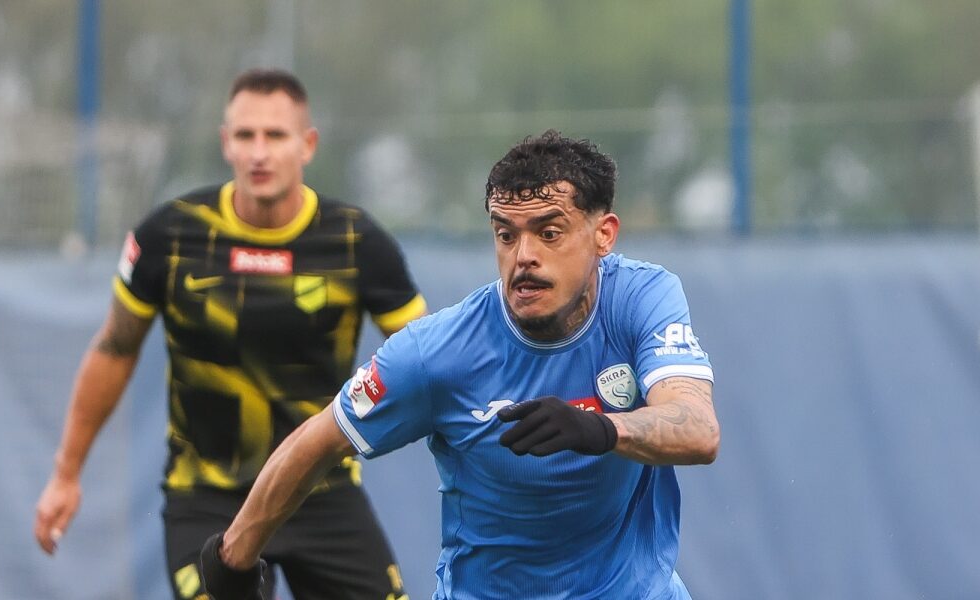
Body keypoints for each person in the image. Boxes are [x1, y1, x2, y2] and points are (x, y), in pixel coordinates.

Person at [198, 130, 720, 600]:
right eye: (506, 234)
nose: (523, 256)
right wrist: (232, 558)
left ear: (604, 234)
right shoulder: (437, 352)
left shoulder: (642, 299)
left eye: (549, 233)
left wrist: (599, 428)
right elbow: (320, 440)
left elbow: (698, 429)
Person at [34, 68, 423, 600]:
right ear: (226, 144)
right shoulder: (170, 236)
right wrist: (66, 474)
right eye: (245, 135)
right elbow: (115, 348)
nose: (259, 152)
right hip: (206, 499)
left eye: (275, 135)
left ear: (307, 145)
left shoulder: (358, 243)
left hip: (322, 493)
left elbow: (425, 359)